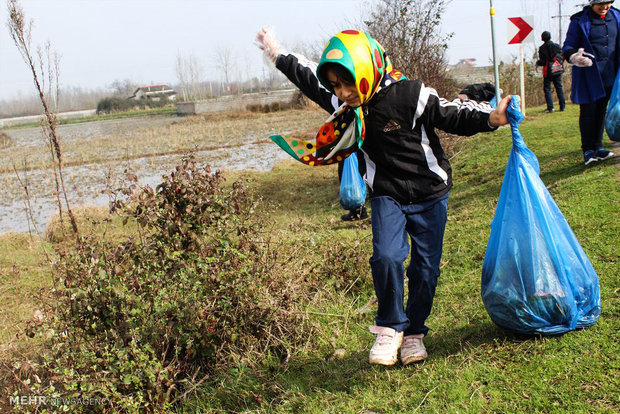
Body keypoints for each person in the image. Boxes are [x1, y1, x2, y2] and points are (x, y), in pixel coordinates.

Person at [256, 27, 510, 366]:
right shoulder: (345, 104)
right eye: (336, 86)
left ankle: (415, 333)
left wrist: (491, 117)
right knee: (387, 257)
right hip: (387, 194)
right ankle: (391, 327)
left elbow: (452, 113)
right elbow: (307, 77)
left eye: (347, 83)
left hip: (430, 192)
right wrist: (276, 53)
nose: (343, 93)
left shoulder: (410, 95)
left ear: (366, 70)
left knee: (425, 270)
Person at [563, 0, 618, 165]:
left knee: (602, 110)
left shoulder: (617, 16)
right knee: (588, 111)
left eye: (607, 3)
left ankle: (598, 147)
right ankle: (588, 150)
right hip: (589, 74)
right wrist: (575, 57)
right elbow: (568, 46)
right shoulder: (579, 20)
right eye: (600, 4)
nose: (604, 7)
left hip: (611, 73)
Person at [536, 31, 566, 113]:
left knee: (547, 89)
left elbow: (542, 62)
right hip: (557, 69)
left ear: (542, 38)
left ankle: (550, 108)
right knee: (559, 88)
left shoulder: (542, 48)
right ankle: (562, 107)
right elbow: (562, 57)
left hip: (548, 71)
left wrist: (538, 63)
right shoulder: (557, 46)